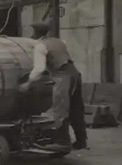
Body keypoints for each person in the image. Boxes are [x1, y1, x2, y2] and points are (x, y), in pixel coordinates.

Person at [19, 22, 88, 150]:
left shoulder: (40, 46)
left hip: (63, 77)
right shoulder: (60, 42)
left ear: (35, 34)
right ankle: (81, 140)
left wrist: (28, 83)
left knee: (60, 108)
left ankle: (62, 141)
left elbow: (39, 68)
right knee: (76, 107)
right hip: (75, 74)